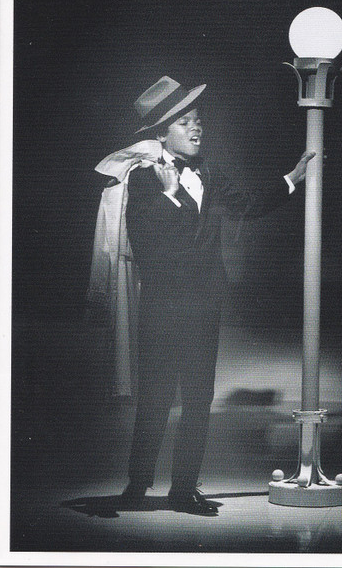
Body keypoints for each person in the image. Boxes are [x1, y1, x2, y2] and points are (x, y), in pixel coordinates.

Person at [102, 76, 313, 515]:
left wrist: (292, 180)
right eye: (184, 122)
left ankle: (183, 490)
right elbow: (147, 247)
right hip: (163, 309)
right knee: (157, 398)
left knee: (199, 399)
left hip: (203, 306)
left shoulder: (210, 172)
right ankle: (137, 485)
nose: (196, 127)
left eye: (197, 119)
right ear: (161, 134)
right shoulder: (142, 179)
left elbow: (248, 205)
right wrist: (170, 196)